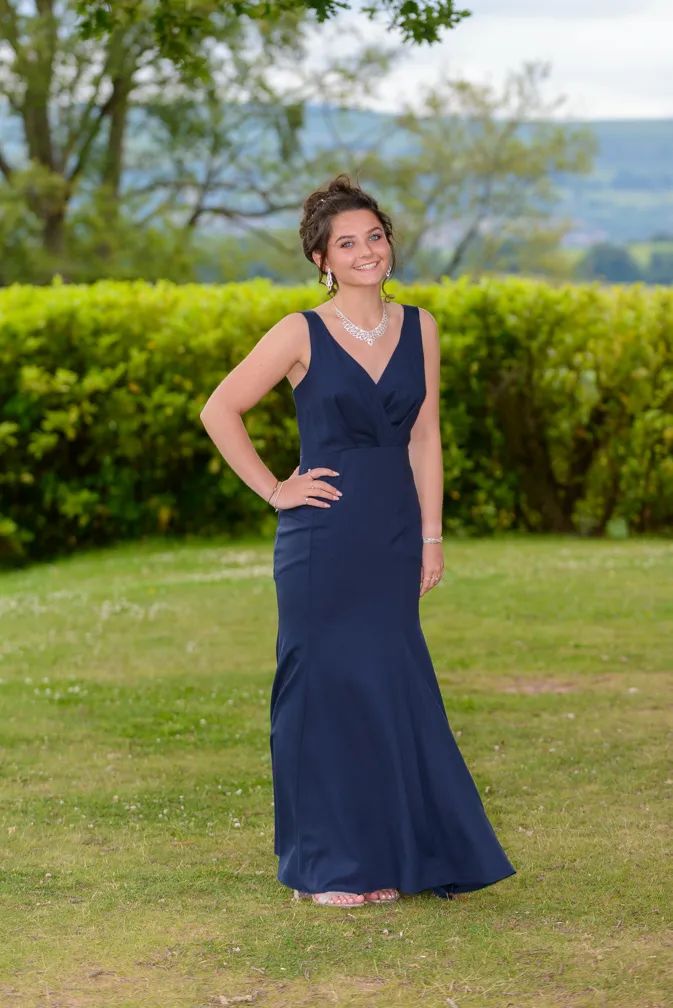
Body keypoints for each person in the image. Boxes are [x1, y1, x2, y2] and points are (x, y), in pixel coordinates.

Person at [200, 174, 516, 908]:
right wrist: (275, 489)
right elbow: (220, 409)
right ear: (322, 259)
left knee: (388, 688)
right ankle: (328, 864)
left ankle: (389, 856)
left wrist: (432, 536)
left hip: (393, 531)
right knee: (322, 692)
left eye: (375, 236)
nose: (367, 251)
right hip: (321, 537)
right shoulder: (297, 332)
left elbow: (426, 435)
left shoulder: (420, 326)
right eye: (348, 243)